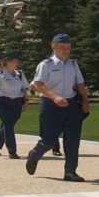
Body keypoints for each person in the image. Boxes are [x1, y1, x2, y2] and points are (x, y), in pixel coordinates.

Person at [25, 33, 89, 182]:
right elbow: (38, 85)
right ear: (53, 47)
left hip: (70, 105)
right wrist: (54, 97)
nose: (66, 51)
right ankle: (34, 155)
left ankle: (70, 172)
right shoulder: (46, 65)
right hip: (50, 106)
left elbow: (80, 84)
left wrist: (86, 101)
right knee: (48, 139)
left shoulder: (73, 64)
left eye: (68, 48)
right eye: (62, 48)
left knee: (72, 140)